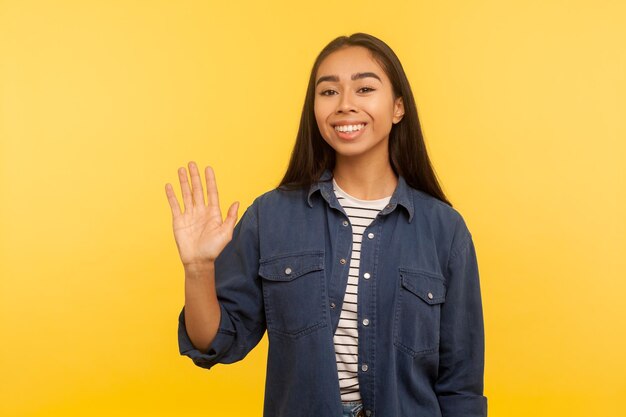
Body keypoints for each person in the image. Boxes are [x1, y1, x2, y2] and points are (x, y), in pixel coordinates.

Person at [165, 33, 487, 417]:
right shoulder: (272, 216)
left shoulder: (445, 231)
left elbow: (461, 387)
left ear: (398, 107)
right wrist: (198, 269)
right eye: (329, 92)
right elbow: (214, 342)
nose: (345, 105)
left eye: (365, 88)